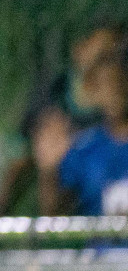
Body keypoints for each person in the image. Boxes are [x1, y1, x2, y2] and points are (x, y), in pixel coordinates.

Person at [38, 45, 128, 216]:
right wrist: (49, 172)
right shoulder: (84, 149)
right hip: (101, 243)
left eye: (119, 81)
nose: (114, 91)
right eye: (106, 84)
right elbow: (54, 215)